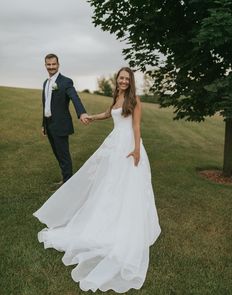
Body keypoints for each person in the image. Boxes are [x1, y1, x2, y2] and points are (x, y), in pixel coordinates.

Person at [33, 67, 161, 293]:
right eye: (120, 78)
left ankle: (125, 224)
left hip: (129, 146)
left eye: (126, 79)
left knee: (128, 186)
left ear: (131, 82)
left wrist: (137, 149)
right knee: (108, 185)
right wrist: (91, 117)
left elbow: (136, 125)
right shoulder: (117, 97)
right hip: (114, 144)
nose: (122, 81)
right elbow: (108, 113)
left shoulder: (135, 100)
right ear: (117, 80)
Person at [41, 53, 89, 185]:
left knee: (64, 156)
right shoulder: (46, 82)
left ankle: (68, 184)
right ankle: (65, 179)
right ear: (45, 65)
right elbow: (46, 105)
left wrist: (82, 113)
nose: (51, 67)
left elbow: (74, 97)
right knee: (57, 154)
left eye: (53, 64)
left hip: (60, 124)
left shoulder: (66, 81)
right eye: (48, 64)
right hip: (49, 124)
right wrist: (43, 124)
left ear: (58, 65)